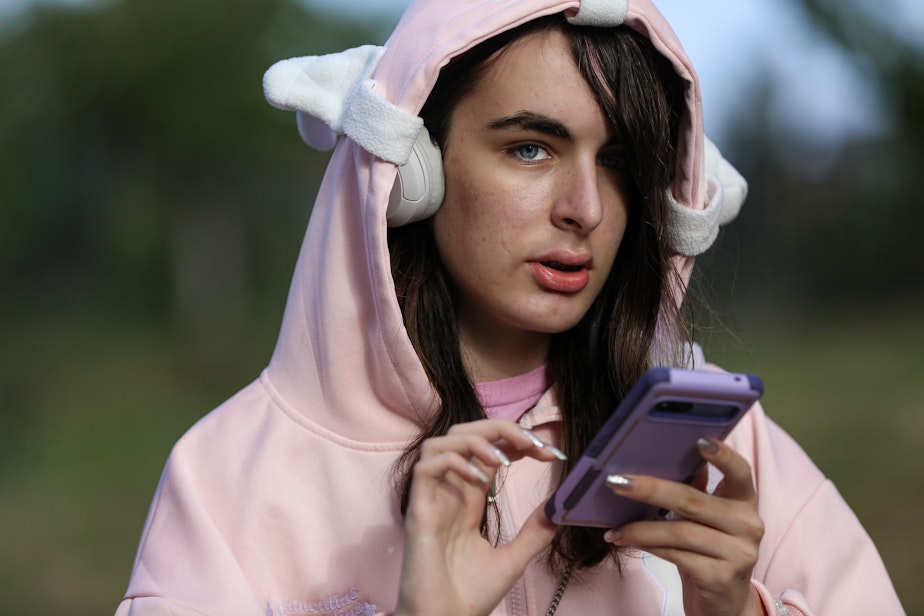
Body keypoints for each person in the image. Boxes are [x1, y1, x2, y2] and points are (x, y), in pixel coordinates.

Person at [116, 1, 904, 614]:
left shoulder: (729, 455)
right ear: (413, 170)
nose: (586, 208)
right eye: (531, 148)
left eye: (620, 160)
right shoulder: (225, 481)